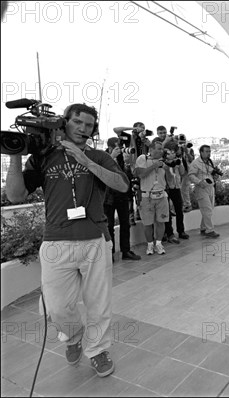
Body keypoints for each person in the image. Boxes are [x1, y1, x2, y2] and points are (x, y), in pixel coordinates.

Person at [6, 103, 129, 377]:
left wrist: (85, 160)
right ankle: (73, 337)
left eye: (88, 125)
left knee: (98, 303)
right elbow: (15, 196)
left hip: (96, 239)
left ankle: (97, 350)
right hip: (56, 242)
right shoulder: (42, 157)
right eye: (78, 123)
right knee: (58, 307)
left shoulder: (99, 155)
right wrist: (15, 153)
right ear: (65, 123)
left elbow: (122, 185)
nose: (83, 129)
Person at [103, 137, 141, 262]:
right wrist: (111, 157)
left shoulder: (123, 159)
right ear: (109, 148)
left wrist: (128, 164)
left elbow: (127, 176)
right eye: (117, 147)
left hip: (123, 196)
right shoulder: (103, 157)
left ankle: (126, 250)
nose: (120, 149)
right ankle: (111, 253)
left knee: (125, 224)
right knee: (109, 226)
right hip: (108, 197)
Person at [135, 141, 169, 254]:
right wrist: (155, 165)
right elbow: (140, 174)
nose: (161, 151)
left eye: (162, 148)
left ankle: (158, 243)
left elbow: (169, 177)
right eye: (159, 148)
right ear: (151, 149)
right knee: (148, 223)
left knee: (161, 221)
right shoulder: (142, 159)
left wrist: (167, 168)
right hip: (146, 196)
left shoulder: (164, 161)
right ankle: (150, 245)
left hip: (161, 195)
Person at [188, 145, 221, 238]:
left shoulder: (209, 162)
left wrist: (215, 176)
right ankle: (210, 230)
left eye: (209, 151)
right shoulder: (195, 163)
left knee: (209, 209)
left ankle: (203, 228)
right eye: (206, 151)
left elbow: (210, 173)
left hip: (210, 187)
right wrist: (199, 182)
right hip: (201, 188)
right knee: (207, 209)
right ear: (201, 152)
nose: (208, 153)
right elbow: (191, 175)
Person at [163, 146, 189, 242]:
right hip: (167, 188)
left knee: (179, 210)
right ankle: (169, 233)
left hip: (176, 187)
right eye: (169, 153)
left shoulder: (177, 161)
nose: (172, 155)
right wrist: (169, 165)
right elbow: (166, 174)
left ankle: (181, 231)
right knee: (167, 212)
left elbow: (182, 173)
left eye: (173, 153)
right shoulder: (163, 163)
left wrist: (180, 163)